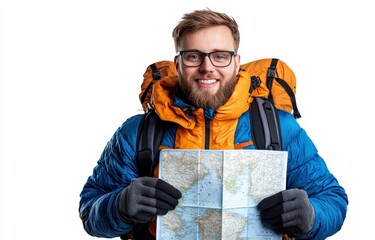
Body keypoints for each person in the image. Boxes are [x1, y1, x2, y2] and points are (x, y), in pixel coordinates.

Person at [79, 9, 348, 240]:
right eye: (193, 56)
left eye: (220, 56)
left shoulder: (278, 127)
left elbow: (332, 198)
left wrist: (311, 215)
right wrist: (120, 205)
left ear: (236, 62)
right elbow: (90, 210)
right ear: (178, 63)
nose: (207, 67)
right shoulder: (136, 132)